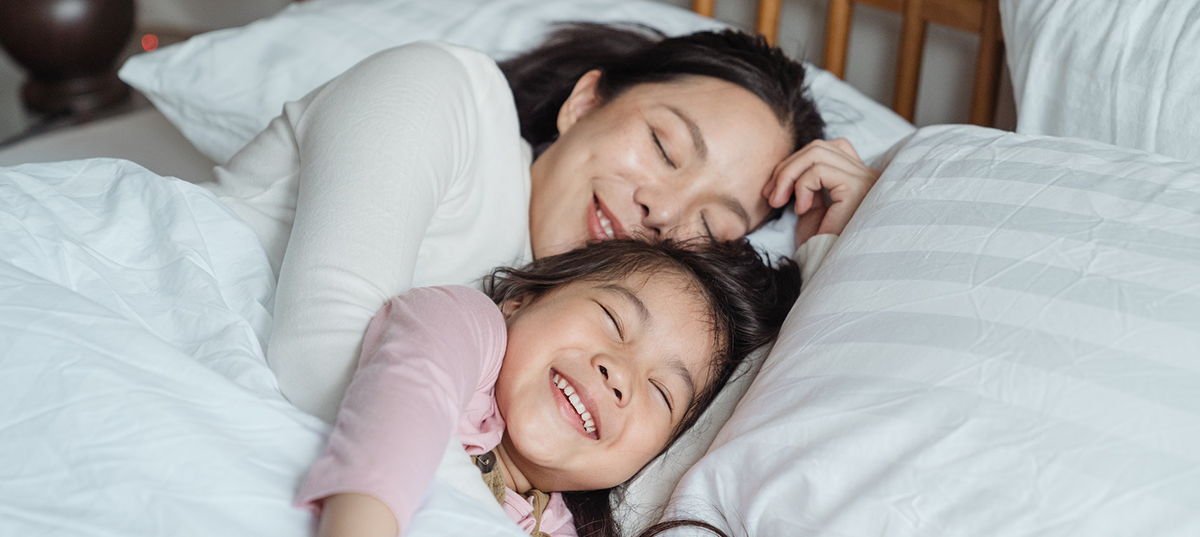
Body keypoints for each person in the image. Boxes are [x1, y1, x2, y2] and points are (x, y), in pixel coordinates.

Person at [205, 23, 879, 422]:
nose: (665, 212)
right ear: (584, 102)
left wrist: (822, 253)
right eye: (666, 147)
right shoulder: (443, 91)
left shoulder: (583, 336)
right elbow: (323, 358)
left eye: (712, 224)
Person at [299, 238, 803, 537]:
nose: (620, 374)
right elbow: (399, 414)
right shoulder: (462, 325)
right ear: (521, 299)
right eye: (613, 319)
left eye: (661, 392)